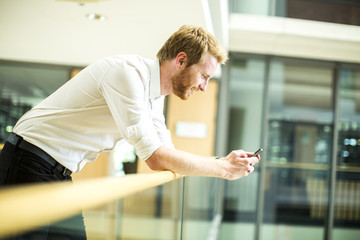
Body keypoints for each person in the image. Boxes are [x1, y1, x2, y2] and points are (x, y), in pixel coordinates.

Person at [0, 25, 259, 239]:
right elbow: (156, 158)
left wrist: (220, 162)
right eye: (203, 76)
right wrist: (223, 168)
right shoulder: (128, 75)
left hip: (56, 170)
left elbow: (168, 154)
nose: (204, 86)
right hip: (28, 159)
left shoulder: (156, 95)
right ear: (181, 60)